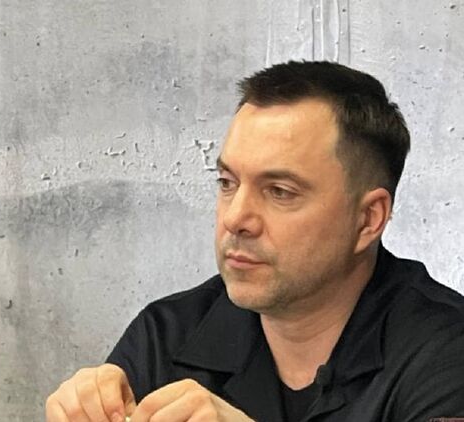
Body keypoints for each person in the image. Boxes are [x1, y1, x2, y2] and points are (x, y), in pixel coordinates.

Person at [44, 61, 464, 422]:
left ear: (368, 219)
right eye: (227, 183)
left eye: (280, 191)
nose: (235, 218)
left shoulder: (446, 351)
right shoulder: (167, 335)